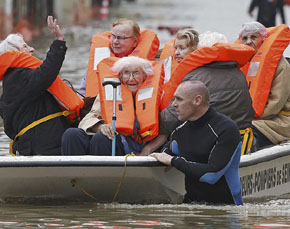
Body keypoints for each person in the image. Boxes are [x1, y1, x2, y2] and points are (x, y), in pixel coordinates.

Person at [142, 31, 255, 156]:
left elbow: (171, 118)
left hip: (209, 141)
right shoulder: (238, 73)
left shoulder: (196, 76)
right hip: (241, 137)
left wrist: (145, 123)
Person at [0, 16, 83, 156]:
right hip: (45, 147)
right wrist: (59, 42)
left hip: (31, 145)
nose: (32, 49)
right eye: (26, 47)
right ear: (15, 53)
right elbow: (46, 73)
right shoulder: (20, 77)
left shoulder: (11, 81)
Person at [151, 80, 243, 205]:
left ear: (197, 101)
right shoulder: (180, 126)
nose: (173, 104)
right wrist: (164, 155)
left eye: (179, 99)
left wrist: (174, 161)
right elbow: (170, 150)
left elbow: (211, 175)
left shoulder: (226, 128)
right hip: (191, 205)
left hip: (226, 210)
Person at [62, 56, 164, 156]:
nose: (131, 79)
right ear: (120, 76)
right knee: (72, 134)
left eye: (136, 73)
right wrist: (101, 126)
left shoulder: (157, 96)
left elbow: (167, 128)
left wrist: (148, 149)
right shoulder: (111, 92)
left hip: (132, 145)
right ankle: (74, 172)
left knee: (101, 138)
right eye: (126, 73)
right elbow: (89, 118)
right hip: (108, 137)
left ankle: (105, 173)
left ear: (145, 76)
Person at [238, 21, 290, 150]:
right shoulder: (242, 64)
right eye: (245, 38)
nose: (249, 41)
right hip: (251, 118)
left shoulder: (280, 66)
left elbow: (276, 104)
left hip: (278, 121)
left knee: (246, 133)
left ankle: (243, 165)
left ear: (263, 40)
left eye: (254, 37)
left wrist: (247, 119)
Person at [80, 18, 160, 97]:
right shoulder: (99, 61)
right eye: (113, 36)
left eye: (122, 38)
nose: (115, 42)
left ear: (135, 42)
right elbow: (83, 91)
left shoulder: (147, 66)